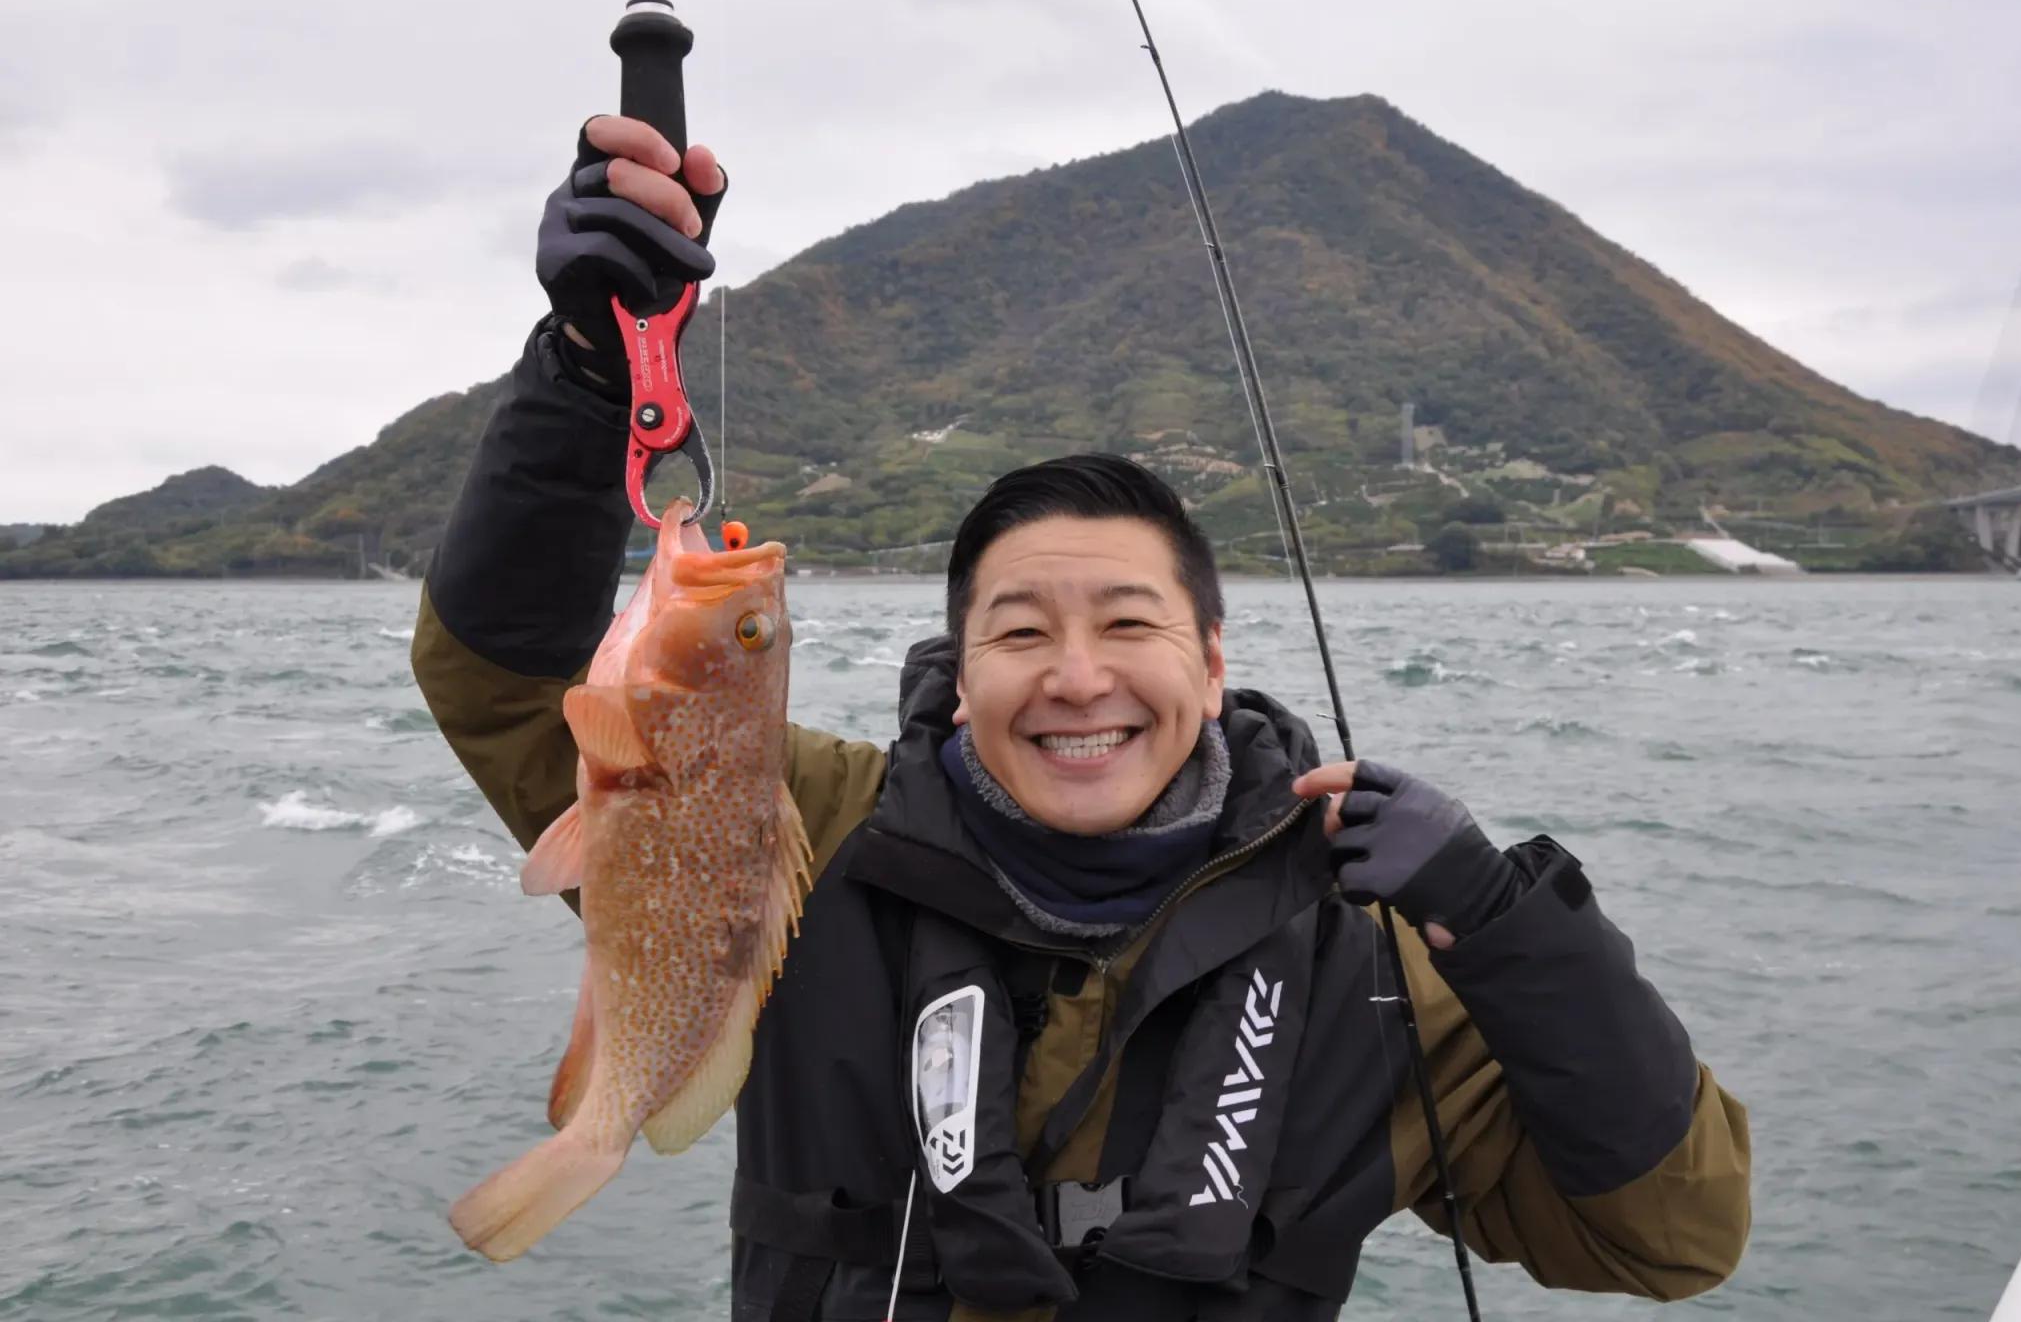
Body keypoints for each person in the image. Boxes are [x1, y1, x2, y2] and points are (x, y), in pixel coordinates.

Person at [413, 116, 1750, 1322]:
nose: (1076, 677)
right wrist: (593, 373)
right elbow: (504, 685)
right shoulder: (807, 832)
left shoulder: (1377, 971)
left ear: (1212, 659)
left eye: (1127, 623)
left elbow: (1673, 1236)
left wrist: (1517, 933)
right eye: (1020, 631)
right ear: (960, 662)